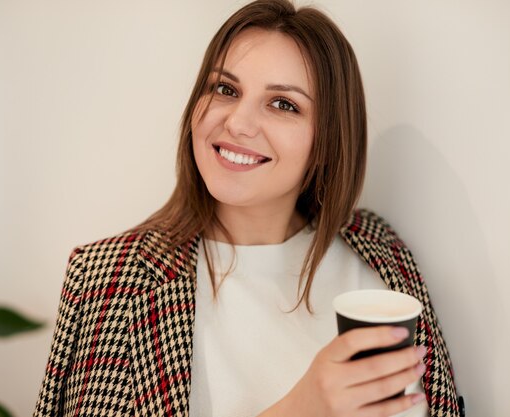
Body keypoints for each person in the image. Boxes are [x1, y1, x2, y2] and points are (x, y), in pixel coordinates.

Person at [33, 1, 463, 416]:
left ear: (327, 144)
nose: (238, 122)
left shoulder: (380, 253)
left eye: (283, 104)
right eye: (225, 89)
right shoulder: (109, 280)